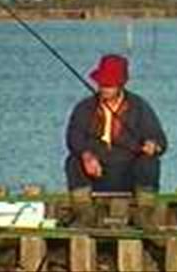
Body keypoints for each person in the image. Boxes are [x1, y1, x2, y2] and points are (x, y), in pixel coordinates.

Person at [64, 53, 168, 228]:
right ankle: (84, 213)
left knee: (149, 162)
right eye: (101, 84)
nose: (104, 89)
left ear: (121, 85)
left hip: (129, 173)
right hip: (96, 173)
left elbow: (160, 140)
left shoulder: (139, 107)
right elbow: (73, 137)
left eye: (109, 85)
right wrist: (86, 155)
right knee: (73, 161)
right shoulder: (84, 108)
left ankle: (144, 214)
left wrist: (153, 146)